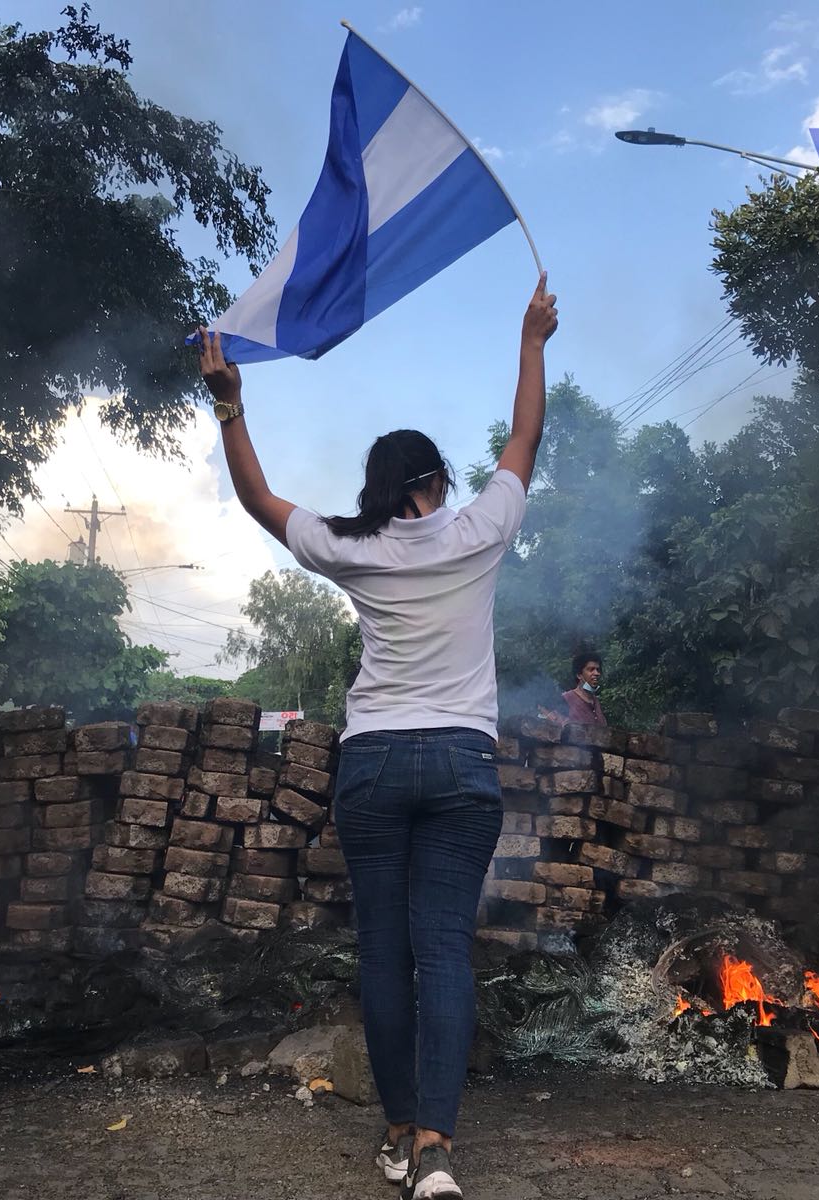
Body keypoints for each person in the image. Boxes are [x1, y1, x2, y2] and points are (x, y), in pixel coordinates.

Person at [198, 273, 558, 1200]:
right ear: (436, 483)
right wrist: (532, 341)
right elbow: (524, 439)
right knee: (443, 949)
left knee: (383, 953)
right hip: (462, 766)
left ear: (379, 488)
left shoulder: (352, 547)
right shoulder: (479, 529)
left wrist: (231, 409)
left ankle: (398, 1133)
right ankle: (436, 1148)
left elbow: (261, 501)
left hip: (373, 767)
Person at [562, 651, 606, 726]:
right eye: (591, 669)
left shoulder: (595, 701)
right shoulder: (566, 699)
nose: (596, 673)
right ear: (579, 675)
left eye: (598, 670)